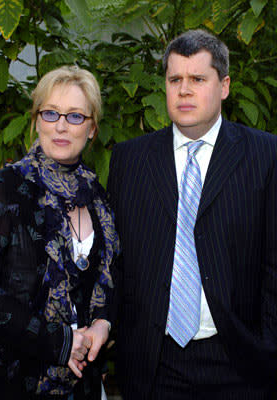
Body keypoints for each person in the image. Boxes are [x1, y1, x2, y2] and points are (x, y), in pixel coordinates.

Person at [107, 29, 277, 400]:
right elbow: (116, 264)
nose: (184, 90)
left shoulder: (266, 156)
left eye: (197, 79)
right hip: (153, 363)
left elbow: (273, 266)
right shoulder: (129, 160)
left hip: (239, 361)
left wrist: (268, 348)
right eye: (175, 79)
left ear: (225, 85)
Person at [0, 65, 119, 399]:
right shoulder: (6, 189)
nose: (61, 126)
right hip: (16, 380)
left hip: (83, 384)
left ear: (92, 129)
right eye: (50, 113)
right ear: (35, 121)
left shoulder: (98, 197)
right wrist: (60, 342)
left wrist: (103, 322)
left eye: (75, 116)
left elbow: (111, 278)